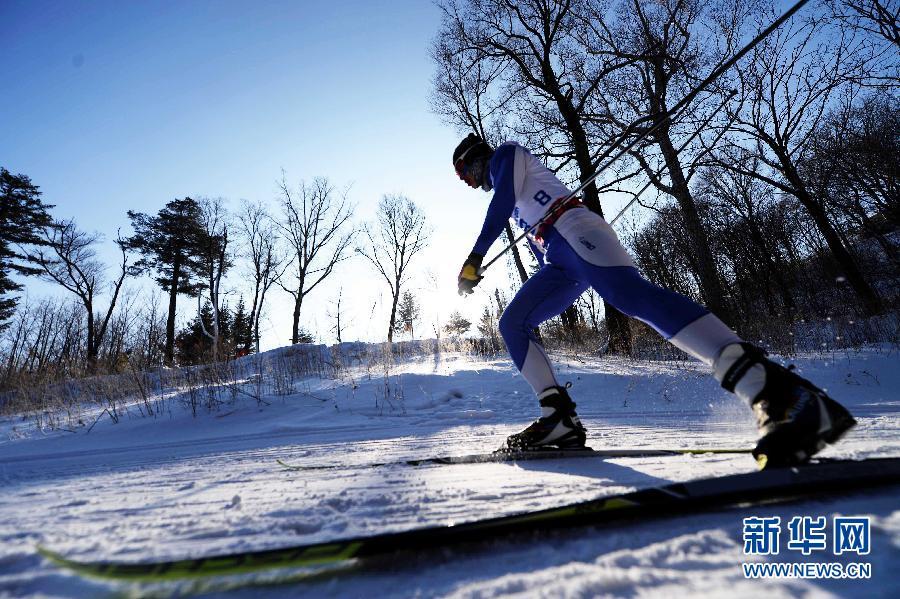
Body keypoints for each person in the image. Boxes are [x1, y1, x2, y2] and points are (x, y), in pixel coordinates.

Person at [452, 133, 856, 469]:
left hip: (573, 228)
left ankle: (780, 394)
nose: (468, 183)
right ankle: (557, 420)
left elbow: (501, 202)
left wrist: (475, 257)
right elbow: (515, 211)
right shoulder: (517, 197)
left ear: (476, 158)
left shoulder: (505, 156)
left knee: (631, 297)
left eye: (464, 172)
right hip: (559, 257)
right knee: (513, 323)